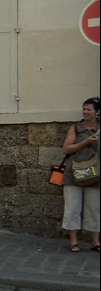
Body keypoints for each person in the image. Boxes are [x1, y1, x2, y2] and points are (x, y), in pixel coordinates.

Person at [61, 96, 100, 253]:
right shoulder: (76, 128)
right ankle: (73, 241)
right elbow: (66, 149)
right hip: (74, 172)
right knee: (72, 206)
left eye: (89, 109)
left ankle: (95, 242)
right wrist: (84, 142)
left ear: (97, 112)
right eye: (84, 109)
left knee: (94, 207)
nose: (85, 112)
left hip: (95, 173)